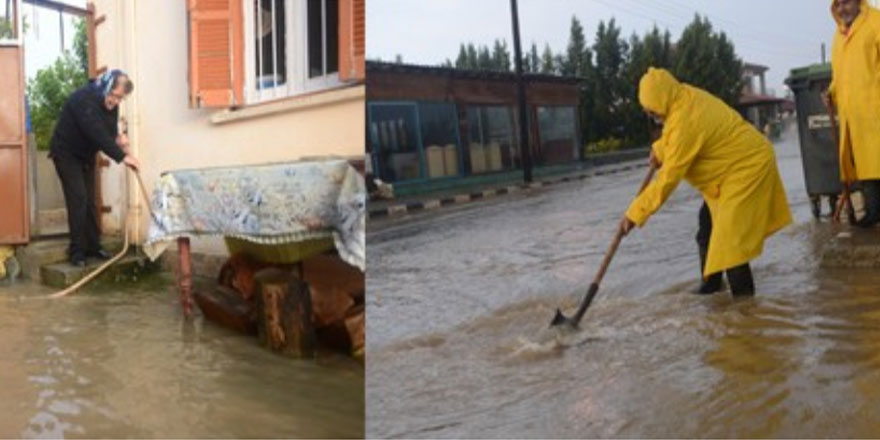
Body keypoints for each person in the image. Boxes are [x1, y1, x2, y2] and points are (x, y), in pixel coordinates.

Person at [621, 68, 792, 296]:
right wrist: (660, 150)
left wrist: (635, 213)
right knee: (707, 230)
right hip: (725, 173)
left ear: (661, 101)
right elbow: (679, 134)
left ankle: (746, 311)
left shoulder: (685, 120)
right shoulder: (683, 97)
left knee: (731, 245)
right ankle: (711, 286)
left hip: (746, 168)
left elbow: (668, 179)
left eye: (652, 111)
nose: (654, 116)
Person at [49, 69, 140, 267]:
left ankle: (93, 246)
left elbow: (107, 132)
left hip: (85, 155)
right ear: (106, 86)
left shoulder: (111, 105)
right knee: (79, 199)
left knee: (90, 201)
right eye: (115, 96)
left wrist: (118, 140)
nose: (116, 102)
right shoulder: (84, 99)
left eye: (120, 99)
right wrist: (123, 157)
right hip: (65, 153)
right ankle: (77, 251)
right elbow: (96, 133)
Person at [825, 0, 880, 227]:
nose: (842, 9)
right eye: (837, 5)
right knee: (866, 164)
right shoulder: (839, 36)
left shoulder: (876, 23)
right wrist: (831, 92)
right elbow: (840, 75)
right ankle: (873, 212)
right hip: (854, 114)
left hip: (874, 107)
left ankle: (874, 212)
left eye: (846, 2)